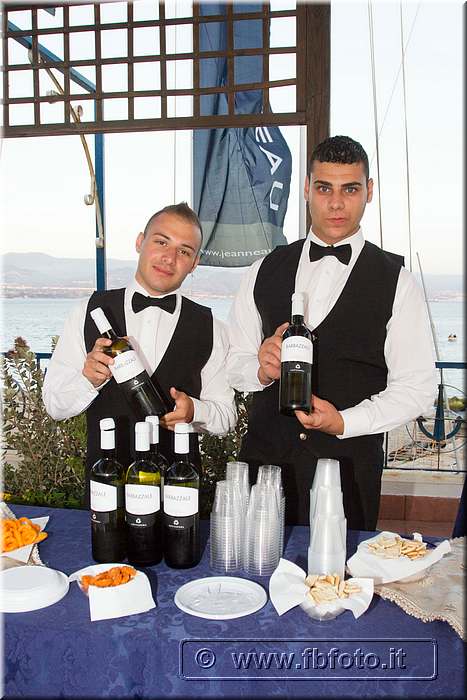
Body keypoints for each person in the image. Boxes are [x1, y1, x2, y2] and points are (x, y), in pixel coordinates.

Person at [226, 135, 437, 530]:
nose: (336, 203)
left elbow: (417, 388)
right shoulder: (262, 270)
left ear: (369, 191)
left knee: (341, 569)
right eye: (325, 188)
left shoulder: (398, 282)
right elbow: (232, 363)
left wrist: (344, 422)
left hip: (348, 474)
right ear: (307, 188)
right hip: (265, 469)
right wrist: (259, 368)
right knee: (254, 564)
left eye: (350, 189)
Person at [43, 202, 236, 500]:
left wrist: (195, 411)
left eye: (184, 251)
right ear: (139, 242)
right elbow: (54, 405)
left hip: (178, 493)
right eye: (161, 242)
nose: (169, 258)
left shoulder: (212, 327)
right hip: (106, 489)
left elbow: (226, 416)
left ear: (194, 263)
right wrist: (88, 380)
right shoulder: (87, 312)